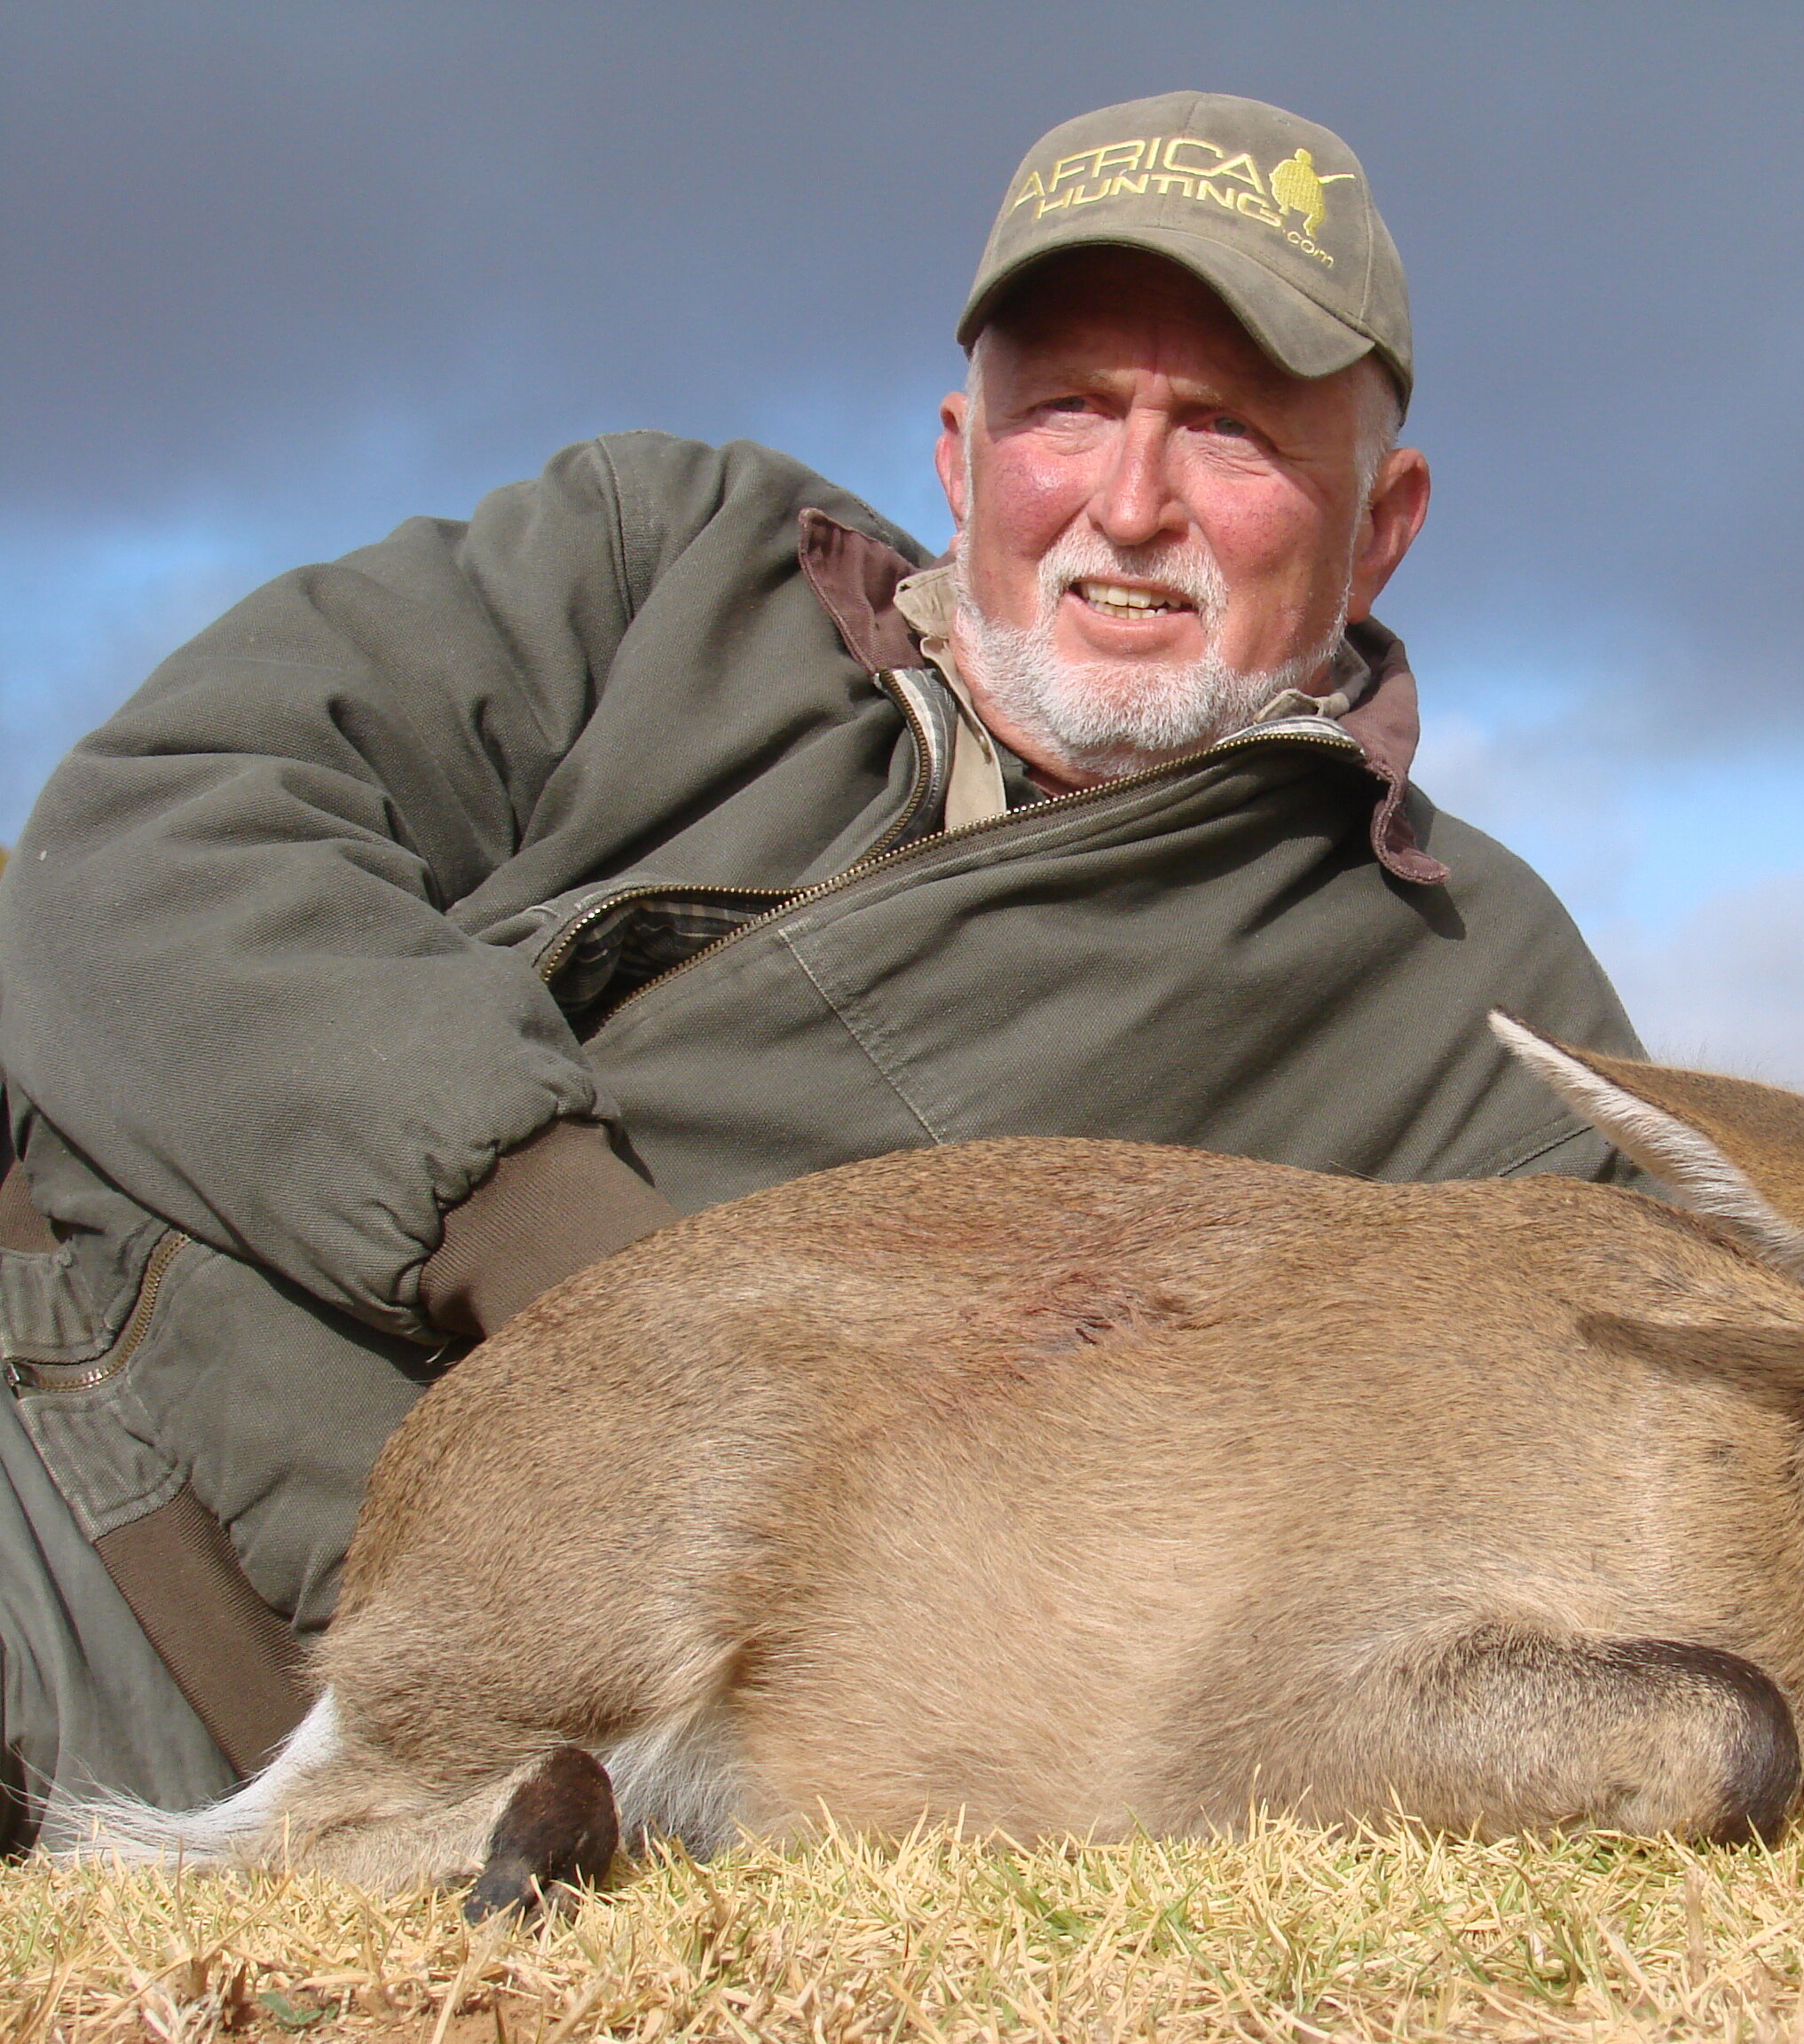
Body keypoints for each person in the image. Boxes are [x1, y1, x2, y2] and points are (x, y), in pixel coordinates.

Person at [0, 92, 1645, 1851]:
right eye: (1069, 409)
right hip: (65, 1409)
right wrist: (570, 1262)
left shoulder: (1480, 1001)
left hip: (529, 1752)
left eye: (1232, 433)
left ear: (1382, 522)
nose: (1132, 502)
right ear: (959, 454)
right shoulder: (663, 556)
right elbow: (155, 838)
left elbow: (1673, 1481)